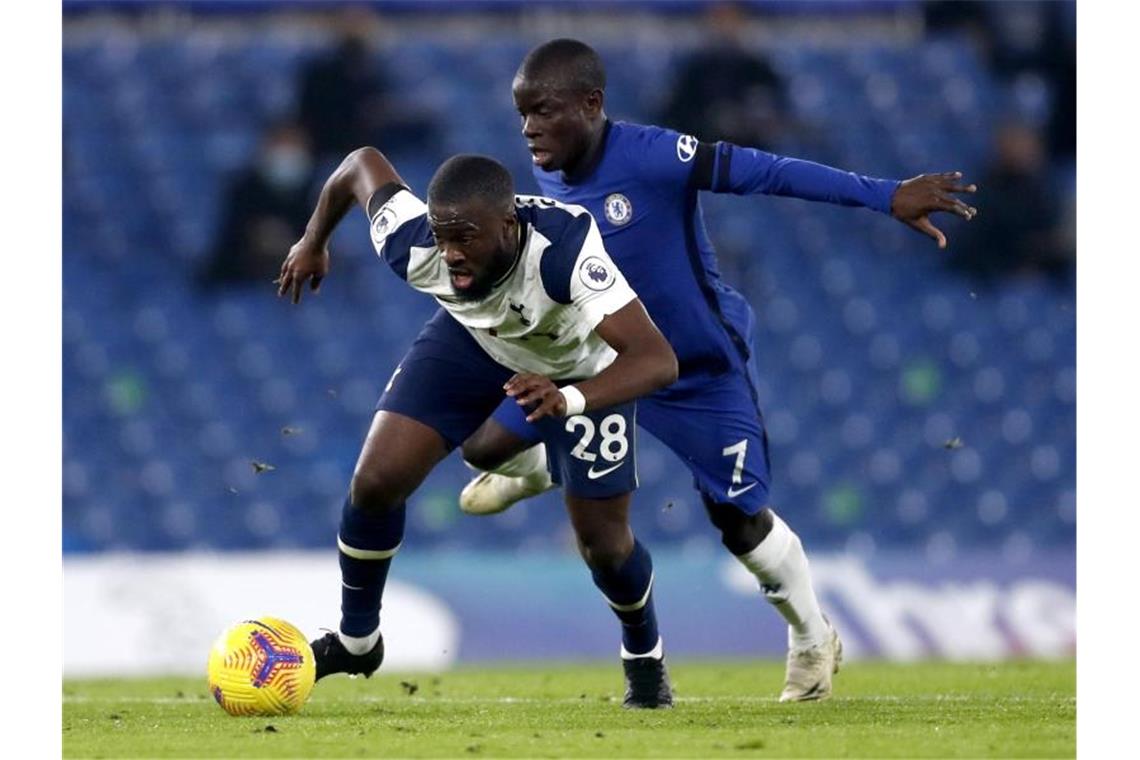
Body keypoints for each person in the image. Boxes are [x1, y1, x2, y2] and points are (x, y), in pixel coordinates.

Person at [457, 39, 979, 703]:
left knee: (737, 519)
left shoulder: (652, 155)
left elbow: (768, 171)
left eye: (543, 111)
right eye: (521, 114)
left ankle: (812, 635)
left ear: (591, 106)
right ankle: (544, 457)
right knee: (486, 447)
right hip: (602, 363)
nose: (528, 128)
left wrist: (884, 196)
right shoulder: (547, 171)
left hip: (696, 367)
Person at [276, 148, 680, 708]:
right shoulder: (416, 244)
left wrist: (567, 397)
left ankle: (645, 661)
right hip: (474, 341)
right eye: (443, 236)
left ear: (509, 226)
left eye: (465, 238)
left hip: (581, 368)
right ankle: (358, 639)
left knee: (605, 548)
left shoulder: (564, 254)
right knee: (377, 482)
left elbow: (657, 360)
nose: (451, 253)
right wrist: (313, 240)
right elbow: (359, 165)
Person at [200, 121, 315, 286]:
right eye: (285, 145)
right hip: (237, 282)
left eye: (297, 147)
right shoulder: (244, 192)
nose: (291, 155)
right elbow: (228, 247)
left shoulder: (312, 196)